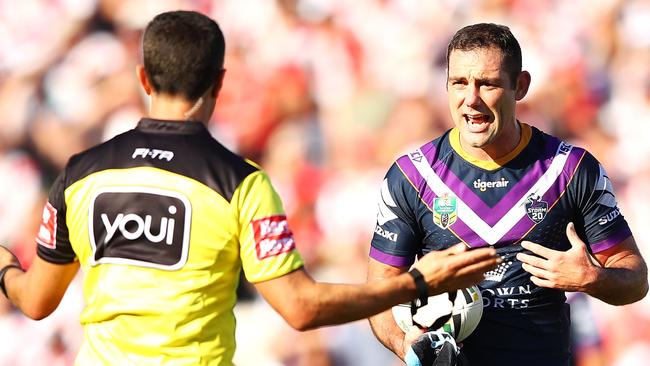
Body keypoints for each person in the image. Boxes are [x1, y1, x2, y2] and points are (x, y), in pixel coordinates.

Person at [0, 11, 500, 366]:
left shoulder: (81, 173)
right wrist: (416, 284)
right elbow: (301, 308)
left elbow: (36, 300)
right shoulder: (241, 182)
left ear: (142, 79)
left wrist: (4, 267)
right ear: (219, 82)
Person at [366, 23, 648, 366]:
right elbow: (379, 292)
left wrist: (594, 278)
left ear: (521, 86)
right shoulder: (411, 177)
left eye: (488, 83)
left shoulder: (572, 170)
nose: (471, 99)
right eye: (459, 83)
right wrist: (411, 350)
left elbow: (635, 279)